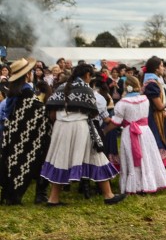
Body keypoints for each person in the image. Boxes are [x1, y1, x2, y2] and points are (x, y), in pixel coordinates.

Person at [40, 63, 126, 206]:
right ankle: (108, 195)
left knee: (61, 160)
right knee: (97, 156)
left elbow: (52, 113)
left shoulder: (61, 87)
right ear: (87, 75)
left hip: (60, 128)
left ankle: (53, 199)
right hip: (80, 127)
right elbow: (93, 113)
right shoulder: (86, 90)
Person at [107, 75, 166, 194]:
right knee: (146, 155)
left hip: (130, 132)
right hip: (145, 131)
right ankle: (150, 182)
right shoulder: (145, 99)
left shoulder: (122, 103)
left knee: (132, 157)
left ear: (126, 87)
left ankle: (135, 185)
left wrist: (105, 130)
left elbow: (116, 122)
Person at [0, 58, 51, 205]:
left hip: (13, 133)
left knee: (11, 162)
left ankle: (8, 194)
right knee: (24, 161)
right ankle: (17, 195)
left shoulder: (14, 91)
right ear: (27, 74)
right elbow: (37, 111)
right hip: (24, 135)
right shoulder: (26, 91)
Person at [142, 57, 166, 169]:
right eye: (162, 66)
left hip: (154, 114)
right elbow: (158, 104)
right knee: (156, 137)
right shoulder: (152, 83)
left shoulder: (152, 81)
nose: (163, 68)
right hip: (153, 115)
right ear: (156, 69)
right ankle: (156, 163)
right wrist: (165, 107)